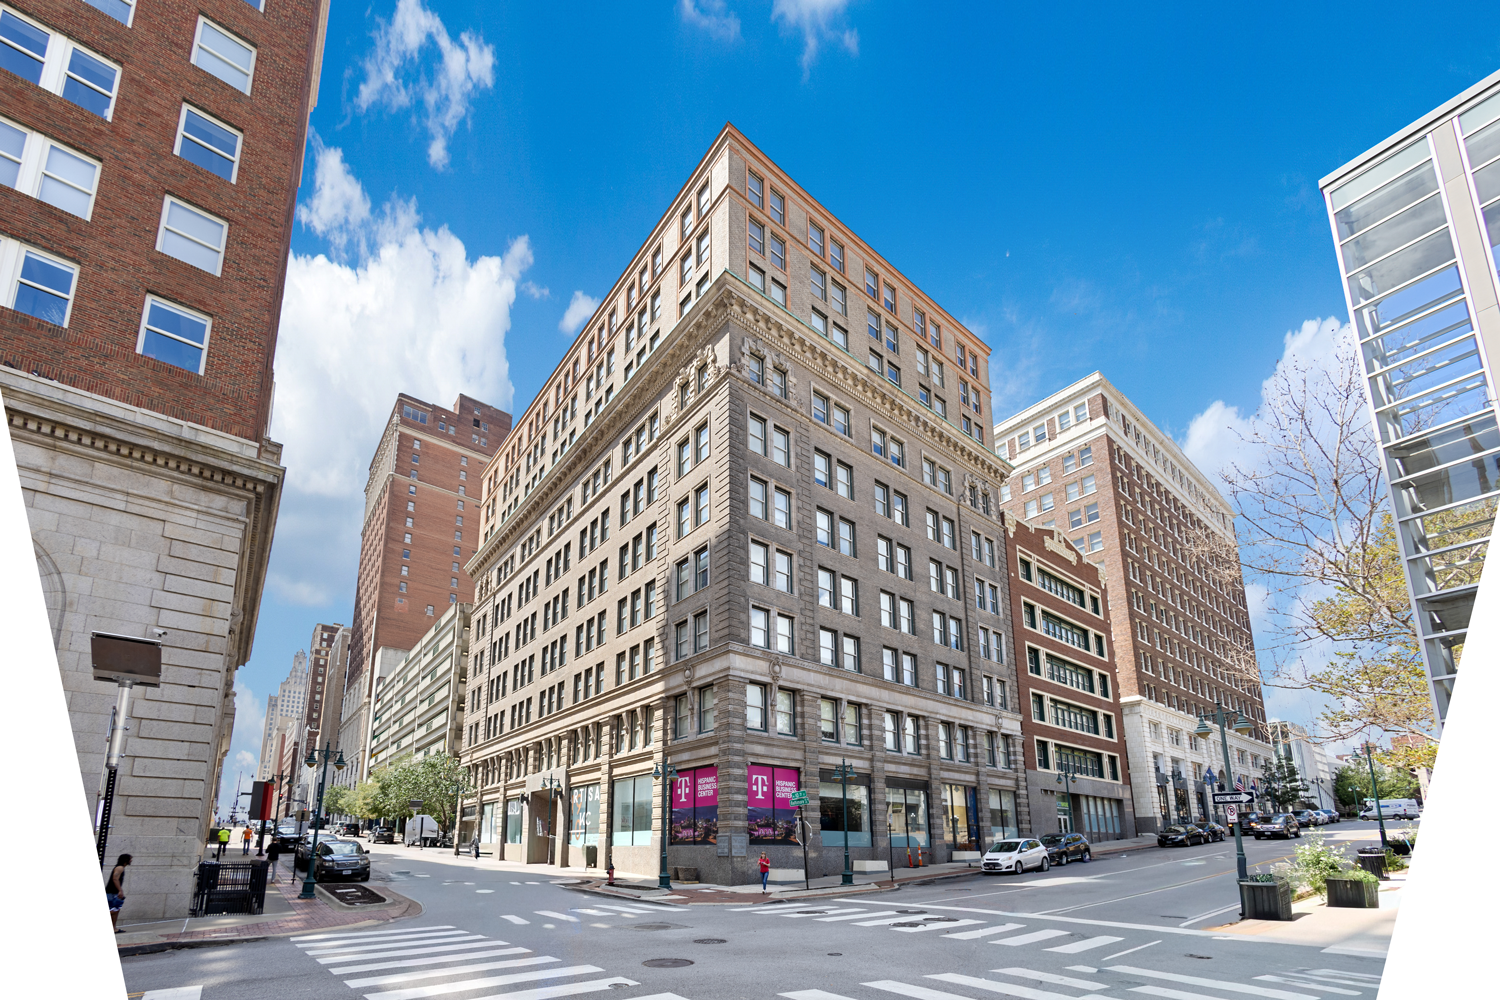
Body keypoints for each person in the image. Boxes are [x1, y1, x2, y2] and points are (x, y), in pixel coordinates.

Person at [106, 854, 132, 932]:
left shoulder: (121, 868)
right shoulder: (120, 867)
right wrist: (120, 890)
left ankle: (114, 928)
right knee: (113, 910)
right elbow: (115, 879)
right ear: (125, 860)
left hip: (114, 892)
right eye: (130, 859)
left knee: (116, 910)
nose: (131, 861)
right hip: (112, 892)